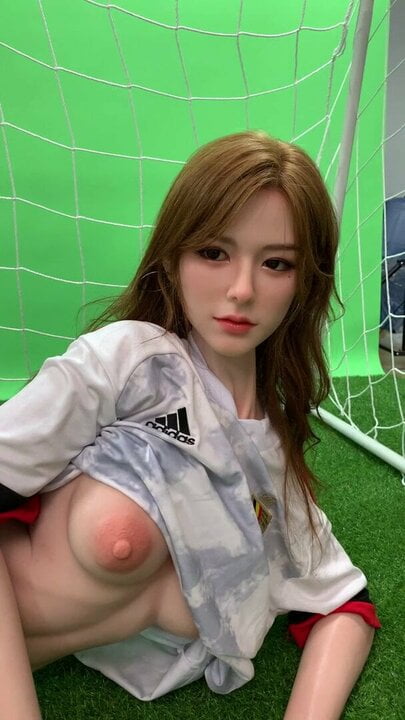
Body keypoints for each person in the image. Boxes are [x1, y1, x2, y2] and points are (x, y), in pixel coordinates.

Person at [0, 131, 380, 720]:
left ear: (306, 281)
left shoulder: (272, 466)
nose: (241, 290)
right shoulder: (129, 363)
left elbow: (345, 603)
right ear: (173, 257)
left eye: (276, 263)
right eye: (213, 252)